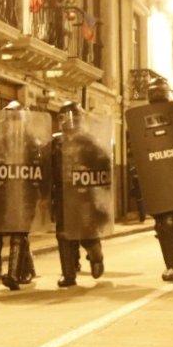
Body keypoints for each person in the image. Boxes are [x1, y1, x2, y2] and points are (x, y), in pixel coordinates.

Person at [124, 77, 173, 282]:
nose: (157, 94)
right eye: (155, 91)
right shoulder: (140, 119)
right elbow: (135, 148)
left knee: (169, 223)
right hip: (156, 176)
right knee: (164, 224)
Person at [0, 101, 49, 290]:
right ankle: (27, 270)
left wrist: (43, 194)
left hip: (27, 194)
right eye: (9, 120)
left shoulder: (31, 142)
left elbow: (41, 169)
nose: (11, 123)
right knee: (17, 231)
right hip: (6, 194)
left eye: (14, 119)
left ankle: (12, 274)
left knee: (19, 231)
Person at [51, 101, 109, 287]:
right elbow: (48, 168)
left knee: (86, 232)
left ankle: (96, 256)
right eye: (64, 118)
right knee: (63, 234)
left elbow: (104, 164)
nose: (68, 122)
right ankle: (68, 275)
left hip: (84, 196)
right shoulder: (56, 143)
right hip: (62, 196)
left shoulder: (88, 142)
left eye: (72, 118)